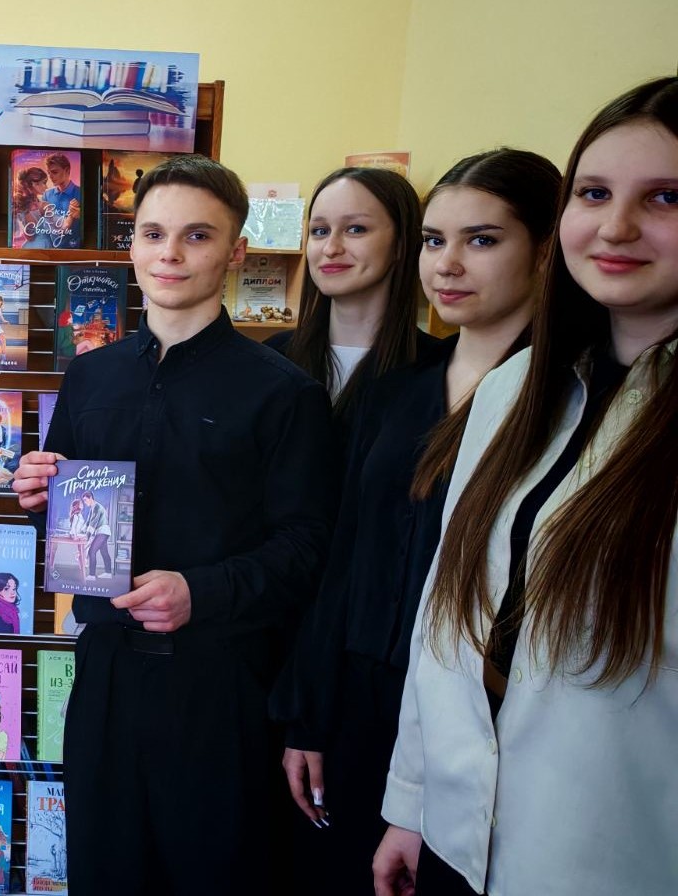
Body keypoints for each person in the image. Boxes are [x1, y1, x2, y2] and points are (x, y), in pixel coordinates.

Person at [374, 77, 678, 896]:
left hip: (611, 858)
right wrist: (413, 803)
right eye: (595, 193)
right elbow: (448, 612)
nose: (616, 226)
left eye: (665, 198)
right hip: (461, 835)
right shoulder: (516, 390)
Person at [13, 154, 335, 894]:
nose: (170, 254)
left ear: (235, 252)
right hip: (105, 676)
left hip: (221, 686)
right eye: (154, 233)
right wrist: (34, 500)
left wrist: (202, 591)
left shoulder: (283, 393)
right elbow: (67, 531)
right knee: (105, 874)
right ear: (131, 244)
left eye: (197, 235)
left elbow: (309, 546)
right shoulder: (89, 376)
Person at [269, 148, 560, 895]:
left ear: (543, 250)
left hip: (484, 713)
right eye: (436, 240)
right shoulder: (396, 391)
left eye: (481, 240)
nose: (448, 264)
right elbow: (345, 559)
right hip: (359, 698)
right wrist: (309, 714)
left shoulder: (568, 400)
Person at [270, 167, 439, 421]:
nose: (330, 248)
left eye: (356, 229)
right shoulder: (274, 357)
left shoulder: (438, 370)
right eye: (320, 231)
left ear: (401, 243)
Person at [43, 153, 82, 249]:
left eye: (54, 172)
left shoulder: (81, 193)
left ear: (67, 170)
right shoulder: (47, 195)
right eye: (49, 173)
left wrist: (81, 216)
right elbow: (43, 226)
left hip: (75, 249)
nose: (50, 176)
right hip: (50, 250)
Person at [12, 166, 54, 249]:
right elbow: (30, 236)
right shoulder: (26, 207)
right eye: (44, 183)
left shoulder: (41, 202)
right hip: (38, 246)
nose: (46, 187)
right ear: (34, 184)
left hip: (45, 244)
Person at [79, 490, 115, 580]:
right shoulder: (92, 508)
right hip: (102, 532)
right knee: (104, 552)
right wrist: (81, 532)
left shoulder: (97, 507)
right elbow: (88, 522)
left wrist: (87, 537)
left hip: (103, 531)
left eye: (85, 500)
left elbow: (93, 524)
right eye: (83, 501)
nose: (85, 502)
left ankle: (91, 575)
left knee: (92, 551)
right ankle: (108, 573)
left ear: (91, 498)